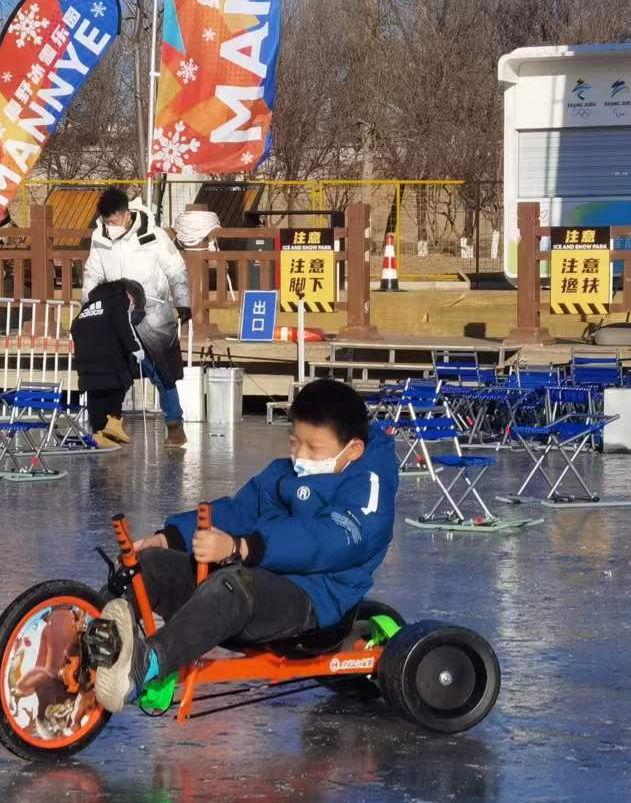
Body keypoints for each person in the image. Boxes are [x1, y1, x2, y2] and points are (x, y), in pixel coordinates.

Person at [88, 379, 396, 715]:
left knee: (232, 585)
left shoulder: (367, 490)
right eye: (295, 443)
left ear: (352, 450)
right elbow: (240, 511)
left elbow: (327, 539)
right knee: (149, 566)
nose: (300, 456)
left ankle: (145, 667)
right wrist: (169, 537)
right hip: (255, 577)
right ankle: (94, 639)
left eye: (313, 448)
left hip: (313, 600)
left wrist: (242, 548)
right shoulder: (282, 474)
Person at [82, 188, 192, 447]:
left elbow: (175, 268)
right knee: (114, 371)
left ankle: (175, 424)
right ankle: (111, 425)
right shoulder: (99, 237)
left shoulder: (153, 235)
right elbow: (92, 273)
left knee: (161, 372)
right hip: (114, 311)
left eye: (113, 221)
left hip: (152, 313)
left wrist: (183, 300)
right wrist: (87, 305)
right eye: (106, 221)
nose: (110, 226)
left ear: (125, 214)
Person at [69, 278, 146, 446]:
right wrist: (134, 348)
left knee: (96, 397)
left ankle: (98, 433)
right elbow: (122, 326)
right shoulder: (119, 300)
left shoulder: (88, 306)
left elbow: (74, 327)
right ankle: (113, 425)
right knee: (117, 387)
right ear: (129, 295)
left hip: (86, 362)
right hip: (110, 361)